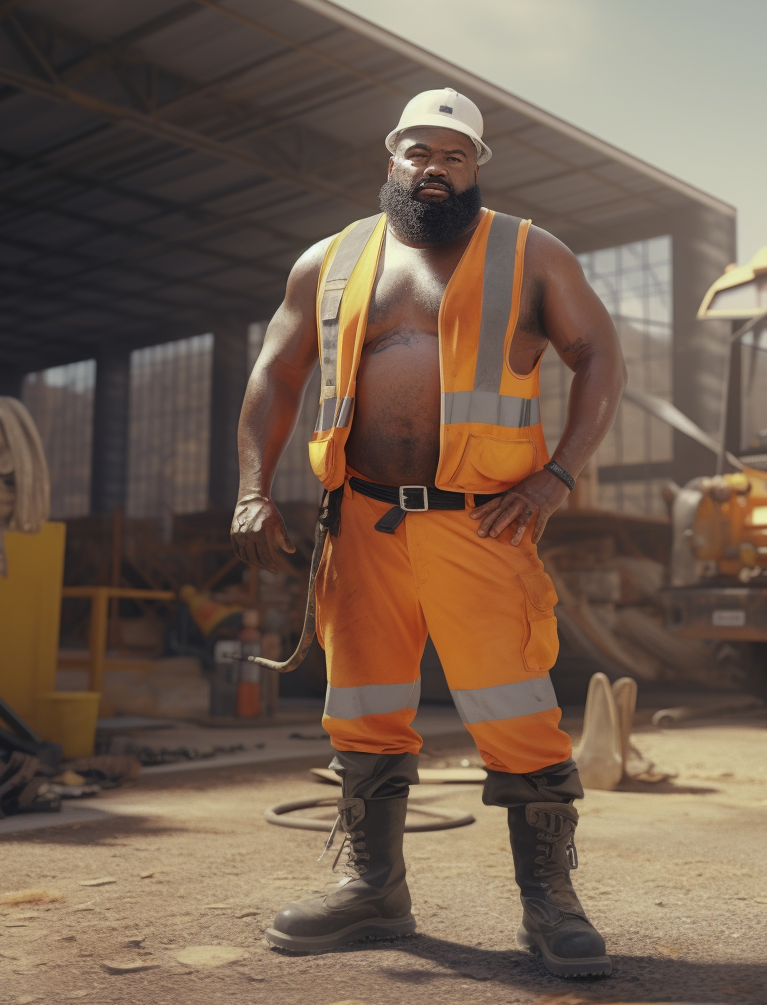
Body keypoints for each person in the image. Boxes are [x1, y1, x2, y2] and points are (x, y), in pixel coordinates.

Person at [232, 88, 626, 978]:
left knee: (518, 715)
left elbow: (600, 353)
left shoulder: (530, 253)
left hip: (480, 524)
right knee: (363, 711)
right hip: (362, 521)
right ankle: (374, 891)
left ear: (477, 166)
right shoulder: (329, 262)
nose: (433, 166)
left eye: (454, 153)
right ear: (390, 156)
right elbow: (275, 372)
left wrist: (557, 474)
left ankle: (549, 904)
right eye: (419, 149)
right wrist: (253, 490)